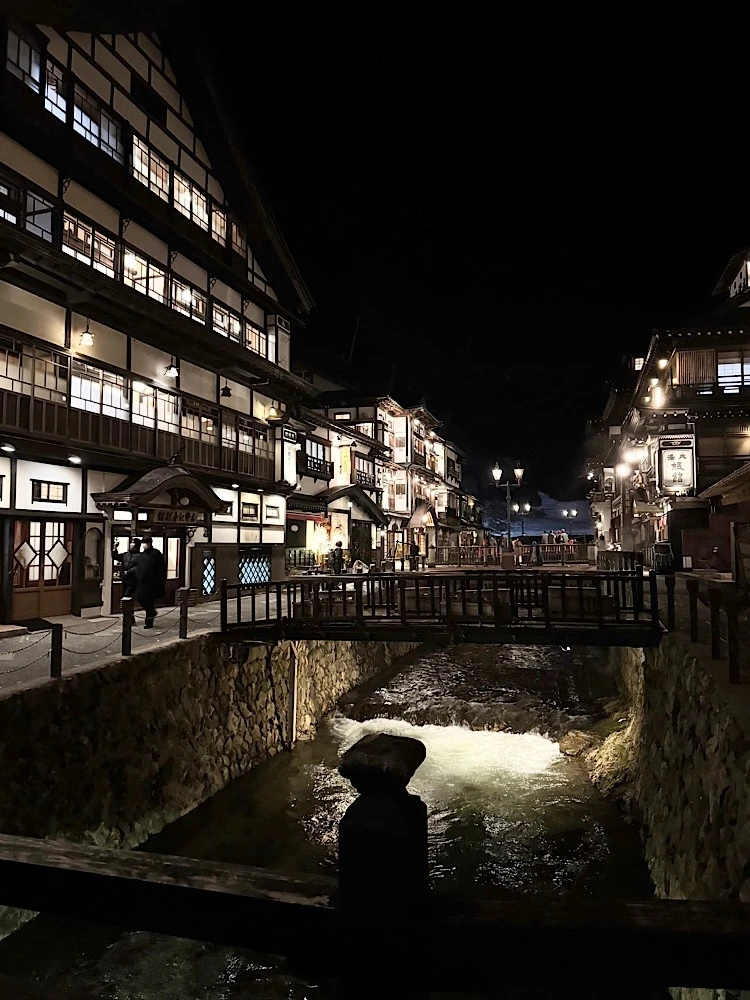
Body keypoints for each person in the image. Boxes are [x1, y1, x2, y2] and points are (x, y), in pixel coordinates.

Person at [135, 536, 166, 628]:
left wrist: (159, 582)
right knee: (141, 599)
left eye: (145, 543)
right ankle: (152, 612)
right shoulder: (142, 555)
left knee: (149, 602)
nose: (143, 545)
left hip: (152, 584)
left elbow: (161, 570)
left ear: (149, 543)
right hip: (142, 583)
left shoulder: (156, 554)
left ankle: (149, 622)